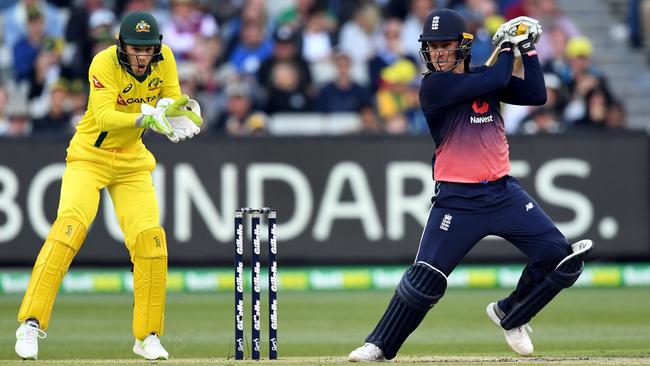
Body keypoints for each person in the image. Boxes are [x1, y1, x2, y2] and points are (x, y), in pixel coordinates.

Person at [348, 9, 593, 362]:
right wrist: (507, 45)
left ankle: (512, 313)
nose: (438, 54)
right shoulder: (434, 86)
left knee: (559, 257)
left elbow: (536, 94)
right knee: (425, 281)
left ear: (463, 47)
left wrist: (527, 49)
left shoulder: (486, 77)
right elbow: (493, 80)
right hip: (457, 200)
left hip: (503, 193)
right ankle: (378, 345)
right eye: (432, 48)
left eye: (445, 46)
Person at [14, 11, 202, 361]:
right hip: (90, 156)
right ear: (121, 45)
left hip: (132, 161)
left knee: (152, 242)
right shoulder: (103, 63)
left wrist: (175, 114)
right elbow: (103, 116)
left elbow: (172, 99)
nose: (142, 57)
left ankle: (147, 335)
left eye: (148, 50)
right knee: (68, 230)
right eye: (135, 49)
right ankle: (30, 322)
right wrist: (147, 116)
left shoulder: (166, 60)